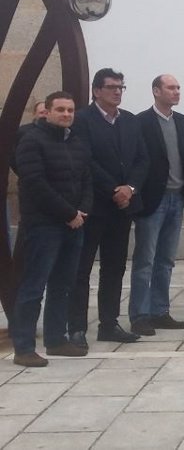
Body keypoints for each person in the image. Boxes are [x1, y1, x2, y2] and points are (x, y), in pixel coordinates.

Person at [69, 68, 148, 347]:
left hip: (123, 207)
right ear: (96, 91)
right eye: (112, 87)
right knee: (82, 268)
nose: (117, 92)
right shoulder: (81, 120)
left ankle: (109, 323)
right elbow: (86, 160)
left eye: (121, 87)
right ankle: (76, 327)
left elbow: (142, 159)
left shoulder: (129, 121)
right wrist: (114, 189)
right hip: (94, 206)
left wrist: (130, 188)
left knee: (114, 268)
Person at [11, 92, 92, 367]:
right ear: (46, 111)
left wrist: (81, 211)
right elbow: (34, 183)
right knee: (34, 286)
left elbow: (86, 180)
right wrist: (68, 213)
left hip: (74, 224)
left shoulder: (77, 142)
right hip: (44, 225)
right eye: (60, 110)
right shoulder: (31, 141)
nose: (66, 115)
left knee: (63, 285)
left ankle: (57, 339)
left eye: (70, 110)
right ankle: (23, 347)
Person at [129, 75, 184, 337]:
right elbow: (138, 159)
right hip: (154, 199)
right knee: (145, 259)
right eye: (171, 87)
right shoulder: (141, 121)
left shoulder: (180, 120)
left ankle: (160, 310)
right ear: (156, 91)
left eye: (178, 87)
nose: (177, 91)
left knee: (166, 259)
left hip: (176, 198)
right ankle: (140, 315)